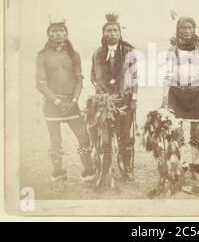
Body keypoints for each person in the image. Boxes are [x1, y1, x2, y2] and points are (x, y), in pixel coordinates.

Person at [36, 17, 95, 186]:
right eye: (54, 31)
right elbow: (40, 84)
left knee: (83, 136)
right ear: (48, 34)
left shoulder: (73, 55)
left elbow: (79, 80)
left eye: (61, 30)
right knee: (55, 141)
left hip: (71, 103)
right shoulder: (42, 56)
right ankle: (58, 173)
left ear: (66, 34)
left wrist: (74, 100)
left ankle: (89, 172)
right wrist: (57, 102)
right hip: (52, 105)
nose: (58, 34)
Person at [90, 13, 138, 188]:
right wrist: (100, 91)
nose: (112, 33)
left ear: (120, 33)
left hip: (124, 100)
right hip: (104, 102)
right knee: (105, 137)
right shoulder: (98, 53)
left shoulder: (129, 52)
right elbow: (93, 76)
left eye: (115, 30)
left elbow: (135, 78)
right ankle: (105, 168)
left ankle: (126, 168)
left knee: (125, 136)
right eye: (108, 30)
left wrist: (133, 99)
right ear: (103, 34)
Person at [162, 16, 199, 181]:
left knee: (195, 131)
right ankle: (180, 164)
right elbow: (167, 74)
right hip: (175, 93)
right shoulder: (172, 49)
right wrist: (164, 99)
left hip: (195, 92)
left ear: (194, 29)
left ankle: (195, 166)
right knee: (177, 131)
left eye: (190, 27)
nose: (187, 31)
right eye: (184, 28)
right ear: (178, 30)